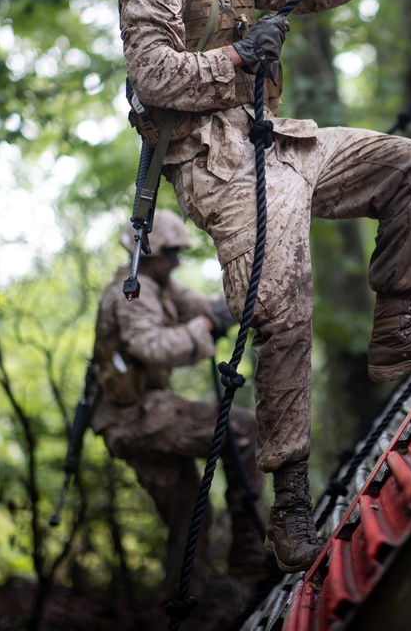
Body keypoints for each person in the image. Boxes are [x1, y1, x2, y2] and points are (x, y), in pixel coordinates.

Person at [118, 0, 411, 573]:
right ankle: (289, 509)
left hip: (281, 141)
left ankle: (396, 332)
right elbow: (151, 77)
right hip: (218, 163)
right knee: (280, 302)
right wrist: (239, 60)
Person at [90, 209, 269, 598]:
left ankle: (180, 603)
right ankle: (248, 547)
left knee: (190, 515)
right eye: (171, 253)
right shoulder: (131, 292)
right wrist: (206, 327)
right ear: (150, 253)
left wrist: (242, 292)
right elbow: (152, 346)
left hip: (141, 415)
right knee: (242, 429)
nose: (177, 261)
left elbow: (204, 307)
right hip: (134, 417)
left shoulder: (162, 285)